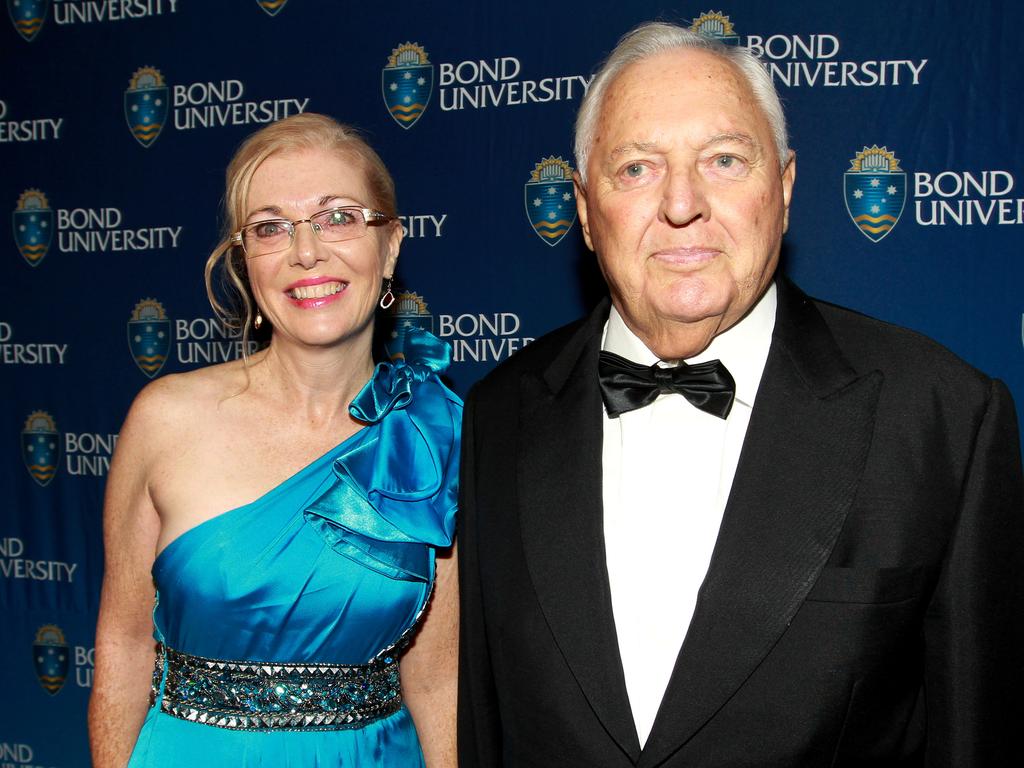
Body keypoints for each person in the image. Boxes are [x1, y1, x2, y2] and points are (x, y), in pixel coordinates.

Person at [458, 22, 1023, 767]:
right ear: (586, 210)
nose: (683, 203)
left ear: (783, 189)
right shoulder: (497, 415)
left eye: (725, 160)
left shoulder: (944, 418)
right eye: (636, 169)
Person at [89, 113, 460, 768]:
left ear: (391, 246)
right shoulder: (165, 418)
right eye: (270, 228)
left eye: (338, 217)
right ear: (245, 261)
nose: (306, 251)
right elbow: (122, 643)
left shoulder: (435, 436)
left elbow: (436, 679)